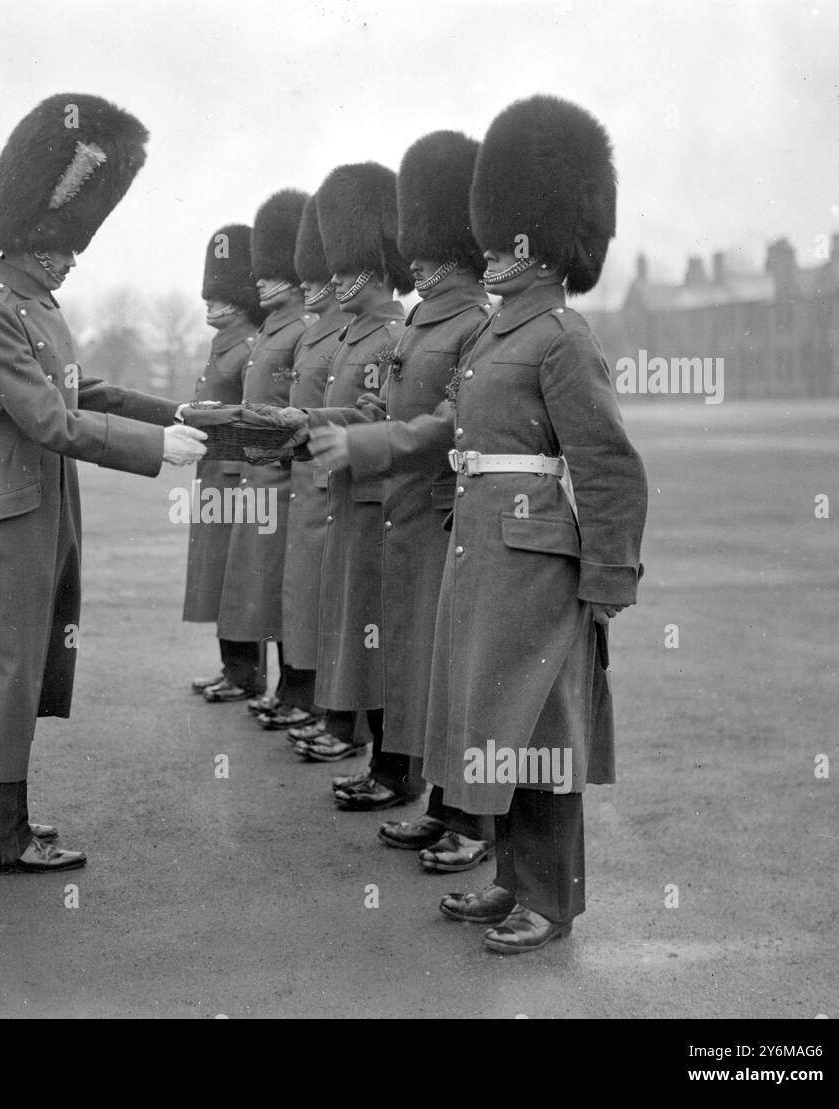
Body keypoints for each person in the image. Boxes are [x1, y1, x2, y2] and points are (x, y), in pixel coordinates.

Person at [0, 93, 207, 874]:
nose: (72, 258)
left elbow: (81, 391)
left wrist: (177, 410)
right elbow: (48, 420)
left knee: (10, 665)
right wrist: (156, 447)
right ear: (33, 237)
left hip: (35, 503)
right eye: (63, 245)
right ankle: (2, 838)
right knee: (8, 665)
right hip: (7, 504)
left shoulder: (33, 304)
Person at [425, 95, 647, 952]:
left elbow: (609, 464)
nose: (488, 248)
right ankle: (511, 878)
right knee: (496, 726)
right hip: (484, 551)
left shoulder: (561, 335)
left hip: (538, 560)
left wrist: (610, 575)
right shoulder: (494, 334)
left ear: (539, 245)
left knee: (543, 734)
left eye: (505, 237)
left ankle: (549, 900)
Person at [309, 132, 494, 873]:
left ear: (453, 251)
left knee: (450, 673)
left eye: (431, 250)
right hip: (404, 518)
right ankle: (434, 800)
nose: (413, 261)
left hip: (445, 517)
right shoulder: (420, 321)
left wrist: (369, 447)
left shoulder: (473, 322)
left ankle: (464, 814)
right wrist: (315, 426)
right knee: (416, 666)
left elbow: (456, 422)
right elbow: (383, 414)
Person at [286, 163, 411, 770]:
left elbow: (386, 416)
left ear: (380, 264)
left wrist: (318, 424)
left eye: (347, 266)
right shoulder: (353, 333)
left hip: (375, 500)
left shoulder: (393, 332)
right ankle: (357, 739)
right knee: (350, 627)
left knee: (372, 634)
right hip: (346, 494)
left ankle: (377, 754)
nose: (335, 279)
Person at [207, 190, 313, 707]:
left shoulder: (301, 331)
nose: (260, 280)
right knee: (260, 589)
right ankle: (279, 689)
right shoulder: (275, 328)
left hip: (286, 478)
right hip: (258, 477)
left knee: (287, 592)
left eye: (272, 272)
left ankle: (297, 693)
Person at [273, 195, 349, 741]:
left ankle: (328, 708)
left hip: (330, 481)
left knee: (327, 603)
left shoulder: (339, 329)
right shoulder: (321, 329)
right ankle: (307, 697)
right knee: (302, 600)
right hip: (303, 479)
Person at [184, 223, 262, 695]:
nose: (211, 302)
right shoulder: (225, 348)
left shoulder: (249, 349)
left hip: (238, 477)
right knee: (221, 575)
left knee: (241, 578)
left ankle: (245, 675)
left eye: (223, 296)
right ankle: (234, 668)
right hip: (216, 475)